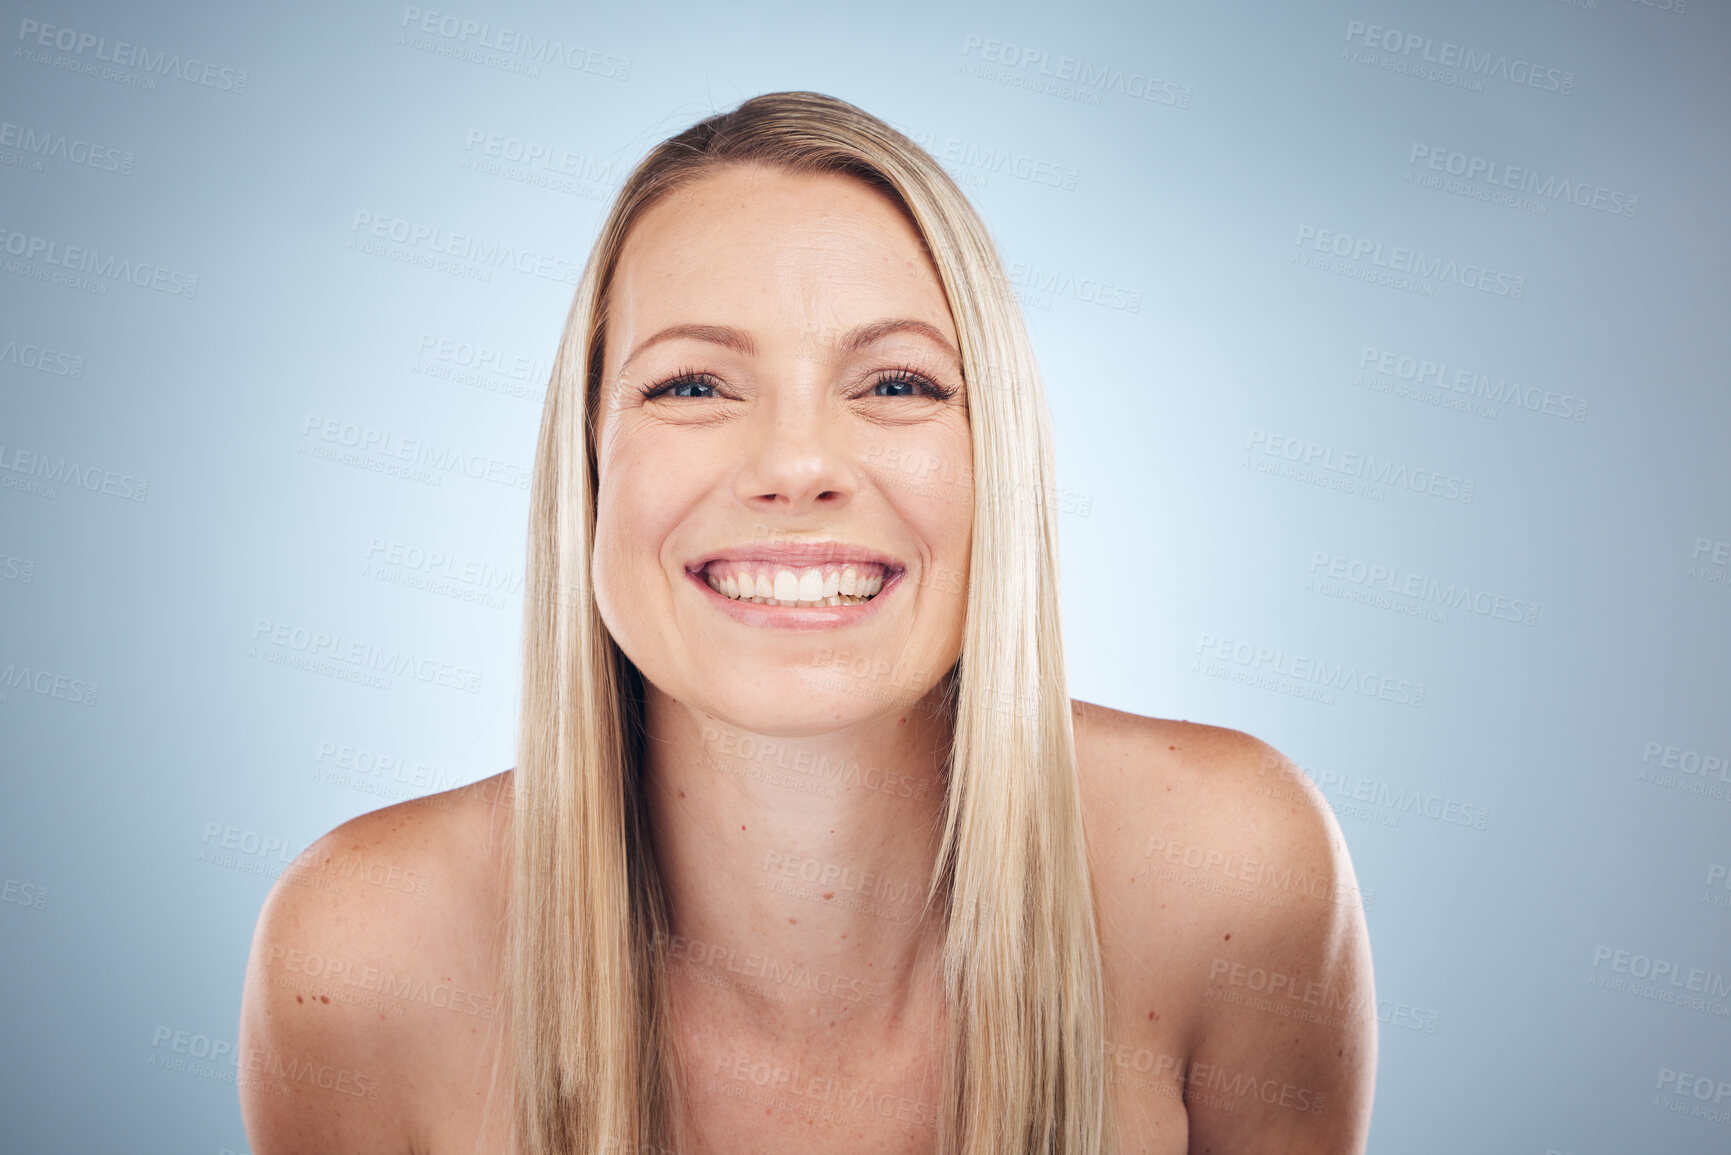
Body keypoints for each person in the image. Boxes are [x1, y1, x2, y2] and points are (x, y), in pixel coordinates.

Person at [238, 90, 1375, 1154]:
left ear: (1000, 463)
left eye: (897, 385)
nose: (794, 465)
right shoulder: (359, 957)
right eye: (691, 386)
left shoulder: (1233, 878)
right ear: (588, 465)